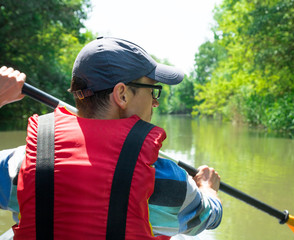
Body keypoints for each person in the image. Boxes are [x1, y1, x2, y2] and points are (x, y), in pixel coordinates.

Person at [0, 37, 222, 239]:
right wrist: (207, 188)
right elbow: (209, 216)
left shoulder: (25, 164)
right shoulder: (165, 180)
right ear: (122, 94)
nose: (155, 102)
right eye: (152, 90)